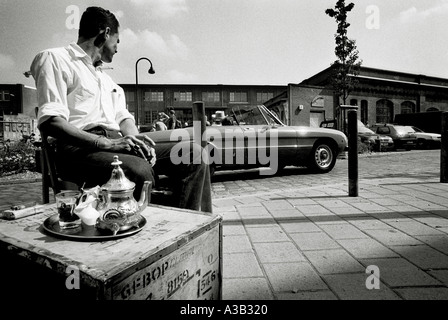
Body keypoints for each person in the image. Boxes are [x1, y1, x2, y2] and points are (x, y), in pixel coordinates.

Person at [30, 6, 211, 212]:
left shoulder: (109, 82)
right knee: (138, 170)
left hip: (115, 146)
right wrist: (107, 143)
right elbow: (51, 121)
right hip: (78, 149)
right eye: (117, 41)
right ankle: (144, 224)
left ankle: (181, 221)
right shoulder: (56, 59)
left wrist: (141, 144)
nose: (118, 48)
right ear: (106, 33)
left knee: (194, 154)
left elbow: (125, 120)